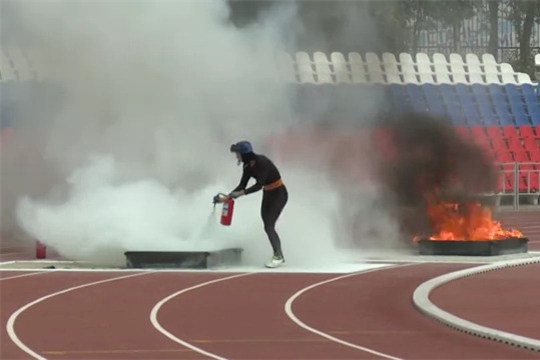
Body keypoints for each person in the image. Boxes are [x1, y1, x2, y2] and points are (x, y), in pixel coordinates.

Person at [220, 140, 288, 268]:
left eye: (238, 153)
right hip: (268, 194)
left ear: (244, 154)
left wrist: (241, 194)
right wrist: (227, 197)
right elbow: (242, 185)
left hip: (279, 194)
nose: (236, 156)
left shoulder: (261, 162)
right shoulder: (247, 166)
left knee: (269, 226)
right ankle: (278, 253)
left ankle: (278, 255)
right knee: (267, 225)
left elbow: (259, 184)